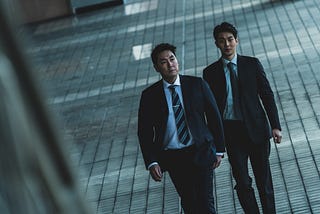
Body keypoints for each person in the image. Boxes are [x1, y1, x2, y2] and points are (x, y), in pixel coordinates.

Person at [203, 22, 282, 213]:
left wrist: (275, 126)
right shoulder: (210, 73)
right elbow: (209, 110)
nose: (227, 44)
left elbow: (267, 95)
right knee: (242, 181)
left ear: (237, 41)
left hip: (257, 130)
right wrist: (214, 142)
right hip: (232, 132)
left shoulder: (252, 64)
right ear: (217, 44)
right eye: (222, 41)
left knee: (264, 180)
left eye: (230, 39)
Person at [138, 43, 225, 214]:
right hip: (174, 157)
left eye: (172, 59)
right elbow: (145, 131)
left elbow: (214, 117)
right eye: (164, 62)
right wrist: (152, 161)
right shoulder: (150, 96)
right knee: (189, 204)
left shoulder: (196, 84)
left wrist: (219, 149)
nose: (170, 64)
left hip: (201, 150)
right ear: (156, 68)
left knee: (206, 203)